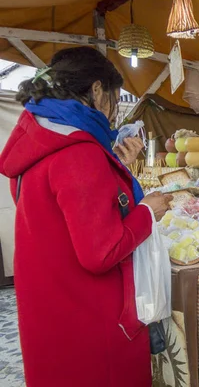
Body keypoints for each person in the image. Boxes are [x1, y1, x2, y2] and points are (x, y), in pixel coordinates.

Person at [0, 47, 172, 387]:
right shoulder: (79, 153)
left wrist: (112, 163)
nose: (113, 110)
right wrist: (147, 212)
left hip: (50, 318)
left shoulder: (40, 143)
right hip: (93, 327)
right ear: (97, 91)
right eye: (113, 97)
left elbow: (64, 221)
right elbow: (101, 252)